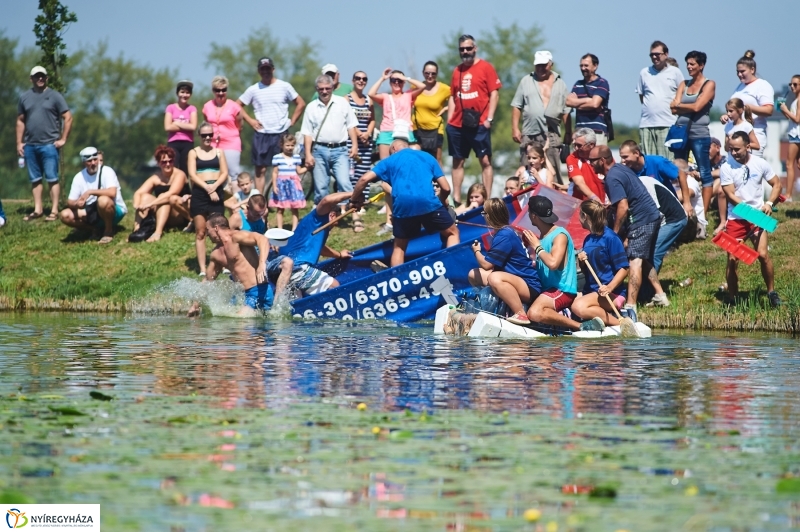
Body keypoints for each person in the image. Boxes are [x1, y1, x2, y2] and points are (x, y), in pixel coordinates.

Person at [349, 139, 459, 266]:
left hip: (402, 206)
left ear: (394, 149)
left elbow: (364, 179)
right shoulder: (427, 156)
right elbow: (446, 188)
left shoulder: (389, 161)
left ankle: (396, 275)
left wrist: (353, 200)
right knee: (452, 233)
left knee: (399, 247)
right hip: (428, 202)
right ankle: (451, 266)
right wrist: (441, 202)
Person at [590, 145, 663, 312]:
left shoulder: (612, 177)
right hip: (650, 215)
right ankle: (660, 295)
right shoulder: (619, 169)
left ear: (602, 160)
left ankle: (630, 306)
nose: (590, 164)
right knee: (642, 258)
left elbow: (623, 206)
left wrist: (614, 233)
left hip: (641, 219)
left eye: (592, 160)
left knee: (634, 260)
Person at [720, 131, 782, 308]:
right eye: (731, 149)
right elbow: (731, 196)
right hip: (736, 218)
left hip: (758, 216)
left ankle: (771, 292)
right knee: (732, 258)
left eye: (737, 149)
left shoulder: (760, 163)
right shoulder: (726, 167)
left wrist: (769, 203)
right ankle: (733, 299)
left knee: (763, 255)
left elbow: (777, 184)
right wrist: (752, 215)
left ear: (748, 147)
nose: (733, 153)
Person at [522, 197, 602, 332]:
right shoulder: (542, 236)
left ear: (534, 216)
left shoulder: (559, 235)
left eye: (529, 212)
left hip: (562, 290)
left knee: (534, 313)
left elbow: (553, 263)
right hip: (548, 290)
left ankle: (581, 326)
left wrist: (537, 247)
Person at [237, 57, 306, 194]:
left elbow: (301, 103)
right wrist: (250, 121)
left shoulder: (284, 86)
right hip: (262, 134)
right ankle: (260, 201)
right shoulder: (253, 89)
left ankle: (283, 198)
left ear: (273, 69)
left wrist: (292, 120)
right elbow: (237, 105)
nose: (266, 72)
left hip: (281, 133)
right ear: (259, 71)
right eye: (263, 69)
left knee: (283, 168)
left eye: (268, 69)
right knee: (260, 169)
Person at [468, 198, 542, 326]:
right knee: (473, 274)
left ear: (489, 216)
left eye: (484, 213)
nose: (483, 216)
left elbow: (486, 265)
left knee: (494, 278)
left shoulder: (504, 235)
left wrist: (476, 251)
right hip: (515, 280)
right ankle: (485, 305)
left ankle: (520, 313)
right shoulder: (505, 231)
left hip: (529, 284)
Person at [447, 34, 502, 204]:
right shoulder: (457, 70)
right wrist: (449, 120)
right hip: (458, 124)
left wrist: (489, 119)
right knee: (457, 160)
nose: (465, 51)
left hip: (480, 123)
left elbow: (494, 94)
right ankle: (456, 199)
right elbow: (452, 96)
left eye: (468, 48)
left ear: (475, 48)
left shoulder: (486, 67)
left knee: (485, 161)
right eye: (462, 49)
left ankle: (487, 200)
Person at [266, 191, 354, 297]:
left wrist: (339, 255)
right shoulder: (318, 218)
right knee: (334, 286)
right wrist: (354, 194)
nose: (335, 225)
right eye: (336, 222)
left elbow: (322, 249)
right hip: (297, 266)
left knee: (296, 304)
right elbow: (326, 200)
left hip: (284, 268)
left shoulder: (313, 227)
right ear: (332, 215)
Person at [187, 214, 274, 317]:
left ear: (216, 228)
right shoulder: (216, 254)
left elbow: (262, 239)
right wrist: (195, 305)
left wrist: (262, 264)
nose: (207, 234)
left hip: (259, 290)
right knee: (230, 322)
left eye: (207, 230)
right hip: (241, 296)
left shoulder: (236, 237)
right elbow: (207, 280)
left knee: (241, 322)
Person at [16, 65, 72, 222]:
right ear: (31, 79)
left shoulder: (55, 96)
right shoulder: (24, 97)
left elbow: (68, 117)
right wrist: (19, 142)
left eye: (42, 76)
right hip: (30, 144)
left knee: (52, 177)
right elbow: (20, 121)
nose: (40, 78)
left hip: (49, 144)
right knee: (35, 179)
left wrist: (63, 139)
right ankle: (38, 209)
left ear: (47, 78)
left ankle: (54, 211)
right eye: (36, 76)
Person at [511, 50, 570, 188]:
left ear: (551, 64)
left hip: (552, 133)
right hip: (530, 133)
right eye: (538, 65)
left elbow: (566, 110)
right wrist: (515, 128)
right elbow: (516, 105)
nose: (541, 68)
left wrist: (568, 132)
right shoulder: (526, 81)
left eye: (544, 65)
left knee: (552, 170)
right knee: (526, 169)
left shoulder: (560, 83)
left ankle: (554, 197)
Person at [301, 74, 359, 206]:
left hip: (340, 149)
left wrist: (355, 145)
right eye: (321, 89)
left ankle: (351, 211)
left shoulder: (342, 103)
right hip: (319, 150)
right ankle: (322, 213)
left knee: (344, 183)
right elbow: (307, 133)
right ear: (316, 89)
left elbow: (351, 126)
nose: (324, 91)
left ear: (332, 88)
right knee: (321, 187)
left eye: (327, 88)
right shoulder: (311, 107)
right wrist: (308, 154)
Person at [669, 50, 716, 217]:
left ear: (701, 65)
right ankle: (684, 206)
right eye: (687, 64)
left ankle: (703, 214)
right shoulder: (684, 84)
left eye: (692, 64)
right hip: (681, 133)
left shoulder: (709, 84)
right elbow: (672, 108)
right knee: (680, 169)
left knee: (704, 172)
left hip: (699, 133)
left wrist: (680, 106)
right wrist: (682, 106)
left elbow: (697, 107)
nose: (688, 67)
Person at [571, 200, 629, 327]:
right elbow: (586, 271)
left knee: (577, 306)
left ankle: (620, 325)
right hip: (592, 292)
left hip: (612, 294)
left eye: (579, 214)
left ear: (585, 216)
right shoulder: (588, 239)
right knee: (570, 301)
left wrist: (609, 288)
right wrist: (581, 262)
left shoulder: (611, 238)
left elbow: (624, 269)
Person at [636, 174, 687, 307]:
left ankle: (647, 294)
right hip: (660, 219)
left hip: (673, 219)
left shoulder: (643, 185)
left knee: (652, 255)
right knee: (648, 254)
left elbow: (653, 215)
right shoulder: (634, 184)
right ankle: (645, 291)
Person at [59, 147, 127, 244]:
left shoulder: (107, 171)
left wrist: (90, 192)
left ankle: (108, 231)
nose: (93, 163)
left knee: (103, 200)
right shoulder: (79, 177)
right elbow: (70, 201)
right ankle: (94, 229)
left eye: (95, 160)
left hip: (114, 210)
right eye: (89, 161)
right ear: (84, 163)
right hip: (92, 211)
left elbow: (112, 193)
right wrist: (77, 204)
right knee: (65, 215)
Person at [188, 122, 229, 276]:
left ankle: (224, 263)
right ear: (199, 135)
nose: (207, 138)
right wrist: (207, 188)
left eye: (210, 135)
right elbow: (192, 175)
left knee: (220, 229)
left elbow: (224, 173)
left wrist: (214, 187)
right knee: (200, 231)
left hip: (216, 192)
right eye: (204, 135)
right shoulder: (193, 152)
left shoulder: (219, 152)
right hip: (200, 194)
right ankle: (202, 269)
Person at [131, 145, 191, 242]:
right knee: (144, 197)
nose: (168, 164)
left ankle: (158, 233)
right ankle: (137, 230)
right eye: (164, 162)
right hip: (163, 214)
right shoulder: (156, 177)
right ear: (158, 163)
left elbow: (172, 192)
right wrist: (137, 205)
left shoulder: (179, 174)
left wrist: (151, 204)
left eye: (170, 161)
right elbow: (139, 192)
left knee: (164, 197)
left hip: (180, 214)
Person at [618, 140, 693, 216]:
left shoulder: (658, 162)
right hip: (648, 212)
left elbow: (681, 174)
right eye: (621, 157)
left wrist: (687, 203)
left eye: (625, 157)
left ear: (636, 153)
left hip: (669, 208)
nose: (622, 161)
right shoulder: (626, 170)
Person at [721, 51, 774, 158]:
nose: (739, 74)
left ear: (752, 69)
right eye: (737, 72)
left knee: (752, 166)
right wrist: (728, 115)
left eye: (742, 71)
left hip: (753, 134)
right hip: (736, 136)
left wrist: (748, 108)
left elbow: (768, 110)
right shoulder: (739, 87)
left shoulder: (762, 85)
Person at [636, 41, 682, 159]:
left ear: (666, 54)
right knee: (649, 160)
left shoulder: (675, 72)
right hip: (647, 124)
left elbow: (681, 94)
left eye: (657, 54)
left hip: (668, 123)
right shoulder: (644, 73)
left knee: (667, 160)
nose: (654, 57)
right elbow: (642, 96)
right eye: (652, 55)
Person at [203, 76, 243, 195]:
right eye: (217, 90)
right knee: (213, 173)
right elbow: (206, 123)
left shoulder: (234, 106)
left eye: (223, 90)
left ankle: (237, 203)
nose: (221, 93)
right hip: (212, 144)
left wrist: (230, 135)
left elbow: (240, 124)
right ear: (213, 91)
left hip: (231, 143)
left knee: (233, 174)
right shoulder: (207, 106)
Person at [346, 71, 375, 232]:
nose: (361, 81)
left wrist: (368, 133)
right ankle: (351, 201)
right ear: (353, 80)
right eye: (358, 78)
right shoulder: (347, 99)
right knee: (352, 175)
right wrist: (358, 134)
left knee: (364, 174)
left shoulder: (368, 100)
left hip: (366, 143)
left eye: (364, 79)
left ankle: (362, 202)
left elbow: (372, 119)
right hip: (352, 142)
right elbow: (347, 120)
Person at [566, 53, 610, 145]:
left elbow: (595, 104)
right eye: (581, 66)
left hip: (596, 131)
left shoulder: (602, 83)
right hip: (579, 132)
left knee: (597, 154)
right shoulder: (578, 84)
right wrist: (587, 100)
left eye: (586, 65)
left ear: (595, 66)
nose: (583, 68)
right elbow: (568, 102)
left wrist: (577, 104)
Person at [413, 61, 450, 164]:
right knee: (418, 159)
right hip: (417, 129)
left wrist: (446, 108)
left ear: (437, 74)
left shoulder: (444, 89)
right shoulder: (416, 87)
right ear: (423, 73)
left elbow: (458, 99)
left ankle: (438, 175)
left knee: (436, 159)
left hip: (435, 129)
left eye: (433, 73)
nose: (430, 76)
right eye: (427, 73)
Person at [269, 132, 306, 230]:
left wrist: (307, 167)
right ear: (282, 145)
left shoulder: (296, 157)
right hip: (281, 185)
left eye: (292, 145)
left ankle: (294, 229)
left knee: (294, 208)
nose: (290, 148)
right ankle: (280, 229)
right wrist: (274, 185)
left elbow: (299, 171)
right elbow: (275, 173)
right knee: (280, 208)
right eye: (287, 145)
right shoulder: (277, 157)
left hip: (293, 185)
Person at [164, 80, 197, 174]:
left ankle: (185, 184)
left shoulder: (192, 109)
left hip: (188, 143)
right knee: (173, 167)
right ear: (177, 93)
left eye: (187, 92)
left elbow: (193, 127)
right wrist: (186, 126)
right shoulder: (170, 108)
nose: (184, 95)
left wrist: (176, 123)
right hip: (173, 142)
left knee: (185, 168)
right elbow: (167, 127)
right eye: (182, 92)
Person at [565, 129, 605, 202]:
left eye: (579, 145)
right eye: (575, 145)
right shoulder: (572, 158)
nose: (576, 148)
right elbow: (579, 183)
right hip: (580, 204)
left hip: (602, 204)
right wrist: (594, 198)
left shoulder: (603, 155)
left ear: (591, 145)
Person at [779, 75, 800, 201]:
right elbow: (792, 118)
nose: (792, 86)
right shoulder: (795, 99)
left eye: (795, 84)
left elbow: (797, 119)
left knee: (788, 163)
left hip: (796, 135)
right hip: (795, 133)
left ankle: (788, 195)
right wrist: (784, 111)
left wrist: (786, 110)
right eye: (790, 84)